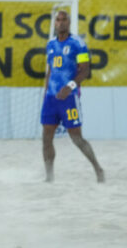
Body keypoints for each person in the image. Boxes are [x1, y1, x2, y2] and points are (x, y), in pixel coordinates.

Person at [42, 10, 104, 183]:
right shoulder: (51, 44)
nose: (61, 22)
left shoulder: (78, 43)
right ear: (55, 24)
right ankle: (49, 176)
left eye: (64, 20)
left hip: (69, 99)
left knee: (76, 138)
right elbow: (50, 71)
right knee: (46, 138)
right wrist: (46, 92)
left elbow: (85, 70)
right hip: (51, 99)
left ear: (69, 23)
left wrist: (69, 87)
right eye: (58, 20)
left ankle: (98, 169)